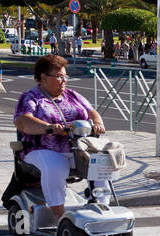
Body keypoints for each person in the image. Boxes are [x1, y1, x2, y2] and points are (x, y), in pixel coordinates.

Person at [12, 55, 105, 223]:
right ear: (43, 77)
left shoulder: (72, 95)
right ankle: (59, 215)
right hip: (40, 149)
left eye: (65, 76)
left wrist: (97, 122)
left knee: (101, 161)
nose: (64, 80)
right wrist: (49, 127)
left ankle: (102, 207)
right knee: (55, 164)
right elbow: (23, 122)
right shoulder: (31, 97)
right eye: (59, 76)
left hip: (76, 148)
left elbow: (91, 111)